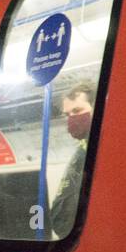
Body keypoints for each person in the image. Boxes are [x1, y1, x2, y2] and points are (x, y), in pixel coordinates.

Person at [49, 81, 96, 238]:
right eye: (67, 115)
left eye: (77, 111)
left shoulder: (103, 151)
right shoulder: (82, 152)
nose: (71, 119)